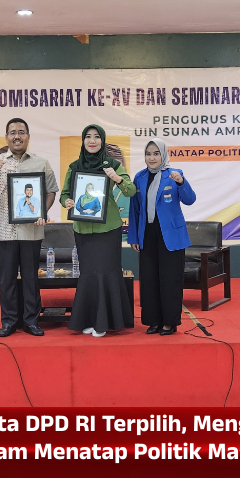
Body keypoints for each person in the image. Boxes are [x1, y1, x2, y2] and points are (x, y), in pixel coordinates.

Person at [0, 118, 58, 337]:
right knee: (7, 279)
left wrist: (42, 211)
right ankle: (8, 322)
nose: (17, 136)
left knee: (30, 278)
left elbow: (51, 191)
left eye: (22, 132)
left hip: (31, 232)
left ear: (28, 137)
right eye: (13, 132)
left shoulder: (41, 162)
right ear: (6, 137)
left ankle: (31, 321)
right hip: (5, 232)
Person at [61, 124, 136, 337]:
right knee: (89, 275)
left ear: (102, 140)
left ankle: (105, 323)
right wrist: (67, 202)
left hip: (108, 228)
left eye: (96, 137)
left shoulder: (112, 164)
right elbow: (64, 194)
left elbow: (130, 191)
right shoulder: (74, 166)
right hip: (83, 229)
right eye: (88, 137)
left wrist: (117, 178)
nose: (92, 141)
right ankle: (89, 319)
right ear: (83, 140)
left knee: (107, 273)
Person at [128, 138, 196, 336]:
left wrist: (181, 182)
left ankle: (169, 322)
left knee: (170, 279)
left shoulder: (174, 174)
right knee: (149, 279)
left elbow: (190, 199)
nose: (152, 158)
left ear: (163, 155)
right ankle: (154, 321)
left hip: (171, 236)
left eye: (156, 154)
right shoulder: (139, 177)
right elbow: (135, 209)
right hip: (147, 234)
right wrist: (133, 237)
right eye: (148, 154)